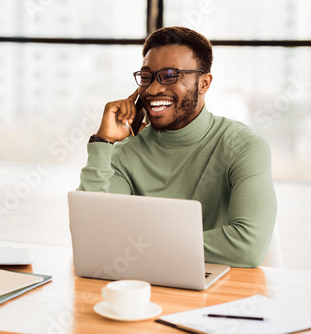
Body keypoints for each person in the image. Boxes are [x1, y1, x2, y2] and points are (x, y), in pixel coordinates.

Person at [78, 26, 277, 268]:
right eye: (146, 77)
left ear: (204, 83)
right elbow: (90, 234)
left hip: (220, 290)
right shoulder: (125, 152)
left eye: (170, 75)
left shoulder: (244, 147)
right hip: (144, 286)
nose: (153, 89)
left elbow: (248, 247)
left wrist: (137, 247)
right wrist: (103, 142)